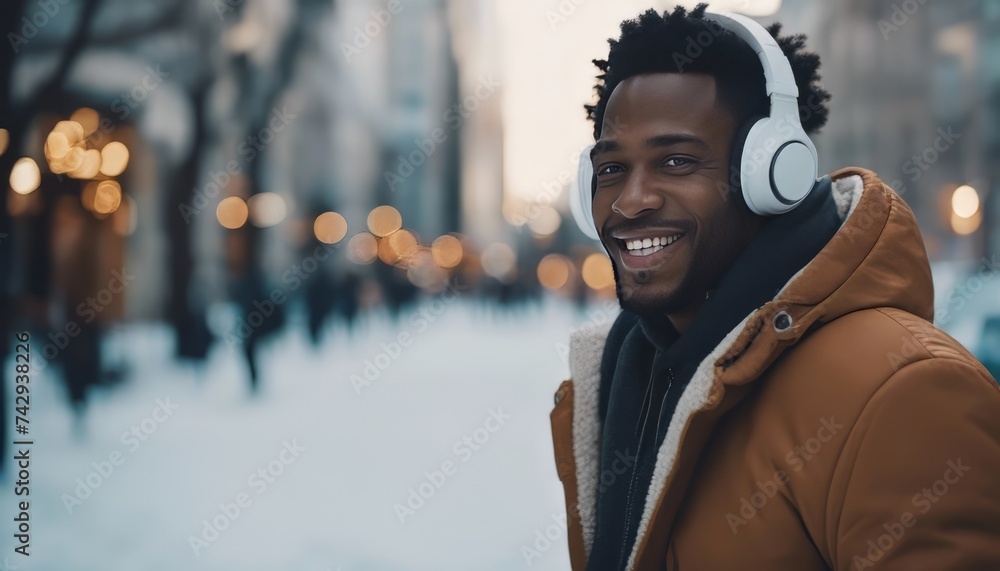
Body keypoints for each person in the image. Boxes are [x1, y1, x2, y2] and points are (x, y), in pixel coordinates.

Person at [549, 5, 1000, 570]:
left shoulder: (905, 389)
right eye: (612, 169)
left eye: (677, 160)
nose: (631, 199)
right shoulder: (629, 381)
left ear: (773, 175)